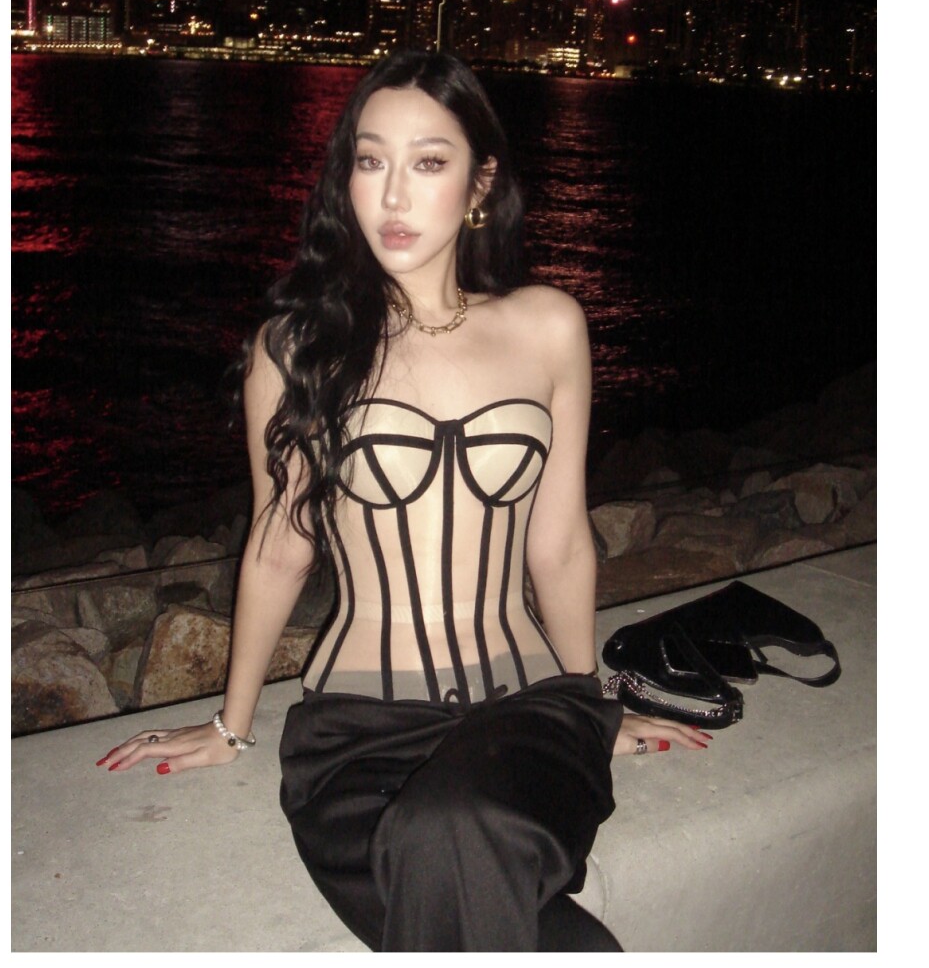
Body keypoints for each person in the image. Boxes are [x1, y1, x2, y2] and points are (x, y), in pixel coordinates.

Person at [98, 51, 710, 951]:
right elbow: (279, 545)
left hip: (528, 712)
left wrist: (590, 711)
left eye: (427, 162)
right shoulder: (297, 347)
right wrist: (233, 725)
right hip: (357, 738)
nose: (392, 195)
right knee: (529, 911)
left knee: (453, 828)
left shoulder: (548, 326)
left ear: (479, 182)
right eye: (370, 160)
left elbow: (559, 545)